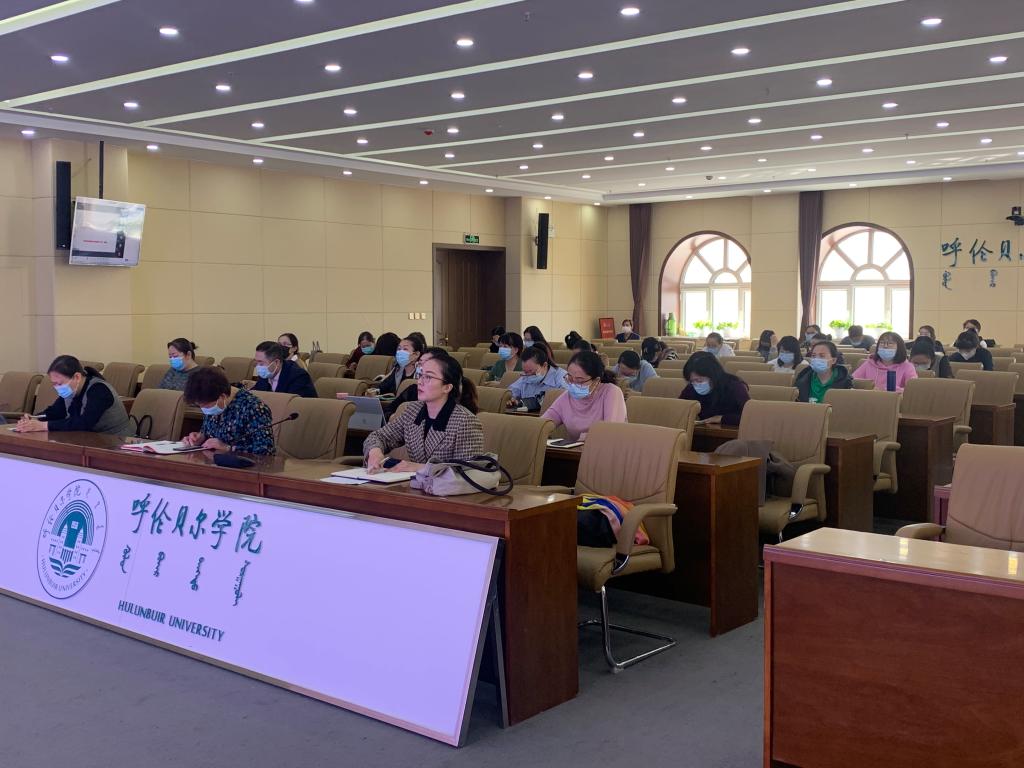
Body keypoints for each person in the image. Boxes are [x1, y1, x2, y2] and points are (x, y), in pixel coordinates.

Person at [364, 355, 483, 472]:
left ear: (447, 387)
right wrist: (374, 452)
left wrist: (420, 468)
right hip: (412, 483)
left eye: (428, 377)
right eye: (420, 375)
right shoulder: (413, 410)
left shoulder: (466, 421)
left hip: (443, 485)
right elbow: (378, 436)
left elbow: (470, 471)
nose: (420, 382)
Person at [14, 355, 131, 436]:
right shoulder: (71, 390)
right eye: (54, 384)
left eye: (60, 383)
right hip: (87, 440)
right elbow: (55, 412)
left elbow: (84, 423)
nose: (57, 388)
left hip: (115, 443)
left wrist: (43, 426)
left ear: (77, 377)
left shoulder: (99, 390)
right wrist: (34, 419)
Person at [181, 366, 274, 454]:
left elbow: (267, 450)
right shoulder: (210, 399)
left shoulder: (254, 407)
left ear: (222, 396)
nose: (204, 410)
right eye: (200, 406)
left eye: (206, 406)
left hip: (241, 463)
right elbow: (208, 433)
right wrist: (199, 438)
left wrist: (227, 447)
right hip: (211, 459)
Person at [543, 351, 627, 440]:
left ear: (596, 380)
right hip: (578, 448)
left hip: (607, 447)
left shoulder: (611, 392)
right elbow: (543, 423)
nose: (573, 384)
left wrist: (583, 438)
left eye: (579, 380)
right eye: (570, 378)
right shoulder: (567, 397)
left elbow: (611, 431)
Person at [680, 351, 749, 426]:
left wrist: (723, 418)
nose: (695, 385)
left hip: (728, 430)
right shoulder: (691, 388)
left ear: (713, 375)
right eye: (691, 381)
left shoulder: (735, 387)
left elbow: (750, 416)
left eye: (699, 380)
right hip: (699, 430)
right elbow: (679, 409)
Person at [852, 332, 917, 391]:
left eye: (890, 343)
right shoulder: (869, 363)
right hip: (869, 398)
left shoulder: (907, 367)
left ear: (899, 347)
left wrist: (891, 390)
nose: (885, 346)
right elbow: (853, 381)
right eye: (882, 343)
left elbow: (912, 390)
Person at [252, 341, 317, 398]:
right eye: (256, 362)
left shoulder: (298, 376)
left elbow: (291, 403)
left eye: (261, 363)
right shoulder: (265, 375)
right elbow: (255, 394)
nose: (258, 366)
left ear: (276, 362)